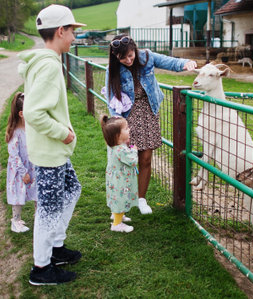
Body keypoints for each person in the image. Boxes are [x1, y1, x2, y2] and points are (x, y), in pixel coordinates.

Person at [18, 4, 85, 285]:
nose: (74, 38)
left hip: (53, 152)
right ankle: (41, 268)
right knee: (48, 210)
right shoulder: (48, 65)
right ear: (60, 31)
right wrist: (64, 133)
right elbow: (33, 113)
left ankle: (56, 247)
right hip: (49, 152)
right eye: (72, 32)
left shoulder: (48, 61)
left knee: (72, 190)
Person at [105, 34, 197, 214]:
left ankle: (141, 199)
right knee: (127, 160)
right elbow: (111, 97)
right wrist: (117, 122)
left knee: (145, 158)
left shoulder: (146, 56)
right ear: (116, 57)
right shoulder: (113, 69)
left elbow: (169, 62)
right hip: (127, 117)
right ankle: (122, 200)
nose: (128, 60)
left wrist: (186, 63)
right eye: (123, 58)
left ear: (135, 50)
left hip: (148, 112)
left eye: (130, 55)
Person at [101, 115, 139, 233]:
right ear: (118, 135)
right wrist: (134, 150)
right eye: (126, 128)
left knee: (116, 198)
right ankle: (117, 224)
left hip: (115, 178)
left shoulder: (113, 145)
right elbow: (132, 161)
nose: (129, 129)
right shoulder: (120, 150)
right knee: (121, 199)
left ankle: (117, 215)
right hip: (122, 180)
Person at [6, 92, 37, 233]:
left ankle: (39, 216)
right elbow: (14, 155)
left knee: (37, 191)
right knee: (18, 195)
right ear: (21, 113)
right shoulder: (16, 133)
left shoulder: (31, 129)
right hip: (20, 170)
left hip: (33, 166)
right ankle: (16, 220)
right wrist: (23, 172)